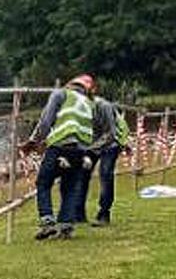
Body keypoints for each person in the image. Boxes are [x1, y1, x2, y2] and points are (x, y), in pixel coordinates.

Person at [21, 73, 95, 239]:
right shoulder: (88, 104)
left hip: (60, 146)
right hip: (80, 150)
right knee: (69, 187)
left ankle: (48, 222)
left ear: (70, 84)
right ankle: (66, 226)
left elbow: (46, 120)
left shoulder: (61, 94)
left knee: (44, 182)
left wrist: (33, 141)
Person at [85, 88, 131, 226]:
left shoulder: (104, 106)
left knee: (105, 174)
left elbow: (110, 134)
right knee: (81, 173)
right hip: (94, 143)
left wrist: (90, 148)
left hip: (111, 143)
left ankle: (104, 213)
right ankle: (77, 213)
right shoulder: (79, 109)